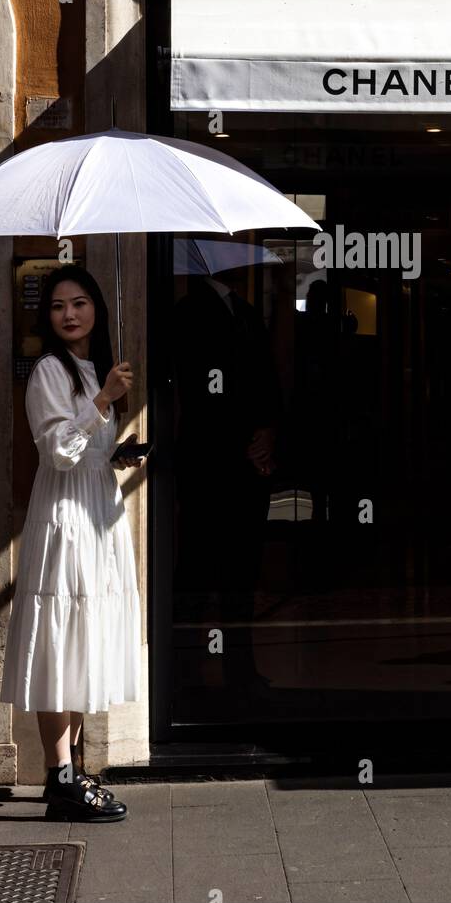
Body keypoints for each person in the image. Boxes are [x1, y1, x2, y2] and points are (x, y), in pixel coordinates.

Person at [0, 264, 144, 821]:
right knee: (61, 636)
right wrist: (102, 400)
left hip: (98, 511)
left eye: (79, 303)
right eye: (59, 306)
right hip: (64, 515)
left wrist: (117, 451)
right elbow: (57, 451)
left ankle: (71, 773)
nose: (69, 314)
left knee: (84, 636)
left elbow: (87, 450)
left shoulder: (93, 367)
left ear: (96, 310)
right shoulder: (48, 372)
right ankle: (58, 777)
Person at [173, 264, 281, 697]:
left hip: (246, 470)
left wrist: (268, 432)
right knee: (198, 572)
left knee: (241, 574)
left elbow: (266, 381)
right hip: (207, 466)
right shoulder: (188, 312)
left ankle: (241, 670)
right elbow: (198, 394)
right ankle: (183, 674)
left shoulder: (246, 311)